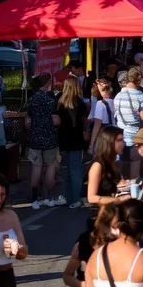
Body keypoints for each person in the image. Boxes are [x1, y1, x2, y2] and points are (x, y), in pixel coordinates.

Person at [26, 78, 61, 208]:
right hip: (50, 137)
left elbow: (28, 120)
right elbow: (56, 120)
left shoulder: (31, 100)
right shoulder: (51, 101)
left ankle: (35, 199)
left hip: (35, 137)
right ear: (46, 84)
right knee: (50, 166)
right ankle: (48, 197)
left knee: (36, 167)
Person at [56, 78, 89, 208]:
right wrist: (86, 131)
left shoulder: (60, 102)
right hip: (76, 139)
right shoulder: (79, 103)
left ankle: (65, 196)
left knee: (65, 170)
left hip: (62, 138)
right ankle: (75, 199)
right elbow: (84, 120)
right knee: (75, 169)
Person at [114, 68, 143, 180]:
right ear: (139, 81)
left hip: (120, 133)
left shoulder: (118, 96)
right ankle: (134, 188)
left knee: (121, 161)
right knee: (135, 160)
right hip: (135, 133)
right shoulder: (141, 96)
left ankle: (122, 185)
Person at [86, 125, 131, 210]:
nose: (123, 143)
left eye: (122, 140)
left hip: (114, 212)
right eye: (119, 140)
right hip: (102, 216)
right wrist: (117, 200)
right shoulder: (98, 165)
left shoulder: (114, 162)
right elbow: (91, 198)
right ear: (109, 142)